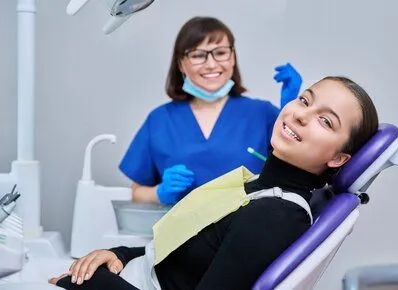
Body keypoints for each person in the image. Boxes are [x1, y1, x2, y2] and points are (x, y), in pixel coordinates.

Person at [50, 76, 379, 289]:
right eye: (304, 100)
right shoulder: (257, 187)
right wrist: (120, 254)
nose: (300, 114)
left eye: (325, 120)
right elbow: (184, 254)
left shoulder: (275, 214)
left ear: (338, 158)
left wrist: (93, 283)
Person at [119, 16, 302, 205]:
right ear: (181, 64)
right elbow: (136, 192)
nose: (211, 64)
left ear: (233, 59)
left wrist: (292, 112)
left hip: (250, 229)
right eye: (198, 55)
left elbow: (300, 166)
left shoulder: (262, 114)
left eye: (221, 53)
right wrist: (159, 193)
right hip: (182, 232)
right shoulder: (159, 120)